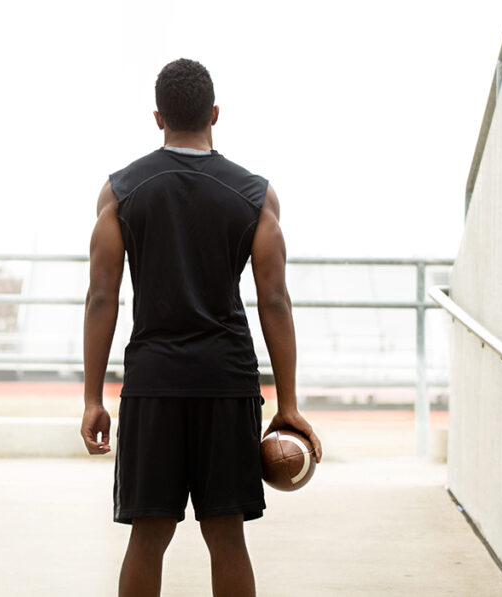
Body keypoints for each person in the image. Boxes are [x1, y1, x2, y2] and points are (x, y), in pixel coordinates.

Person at [80, 58, 323, 597]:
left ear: (158, 118)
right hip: (226, 382)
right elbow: (275, 301)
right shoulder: (256, 195)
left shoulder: (120, 191)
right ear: (214, 114)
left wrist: (93, 397)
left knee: (148, 534)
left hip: (153, 384)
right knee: (227, 535)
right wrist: (287, 403)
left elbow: (102, 297)